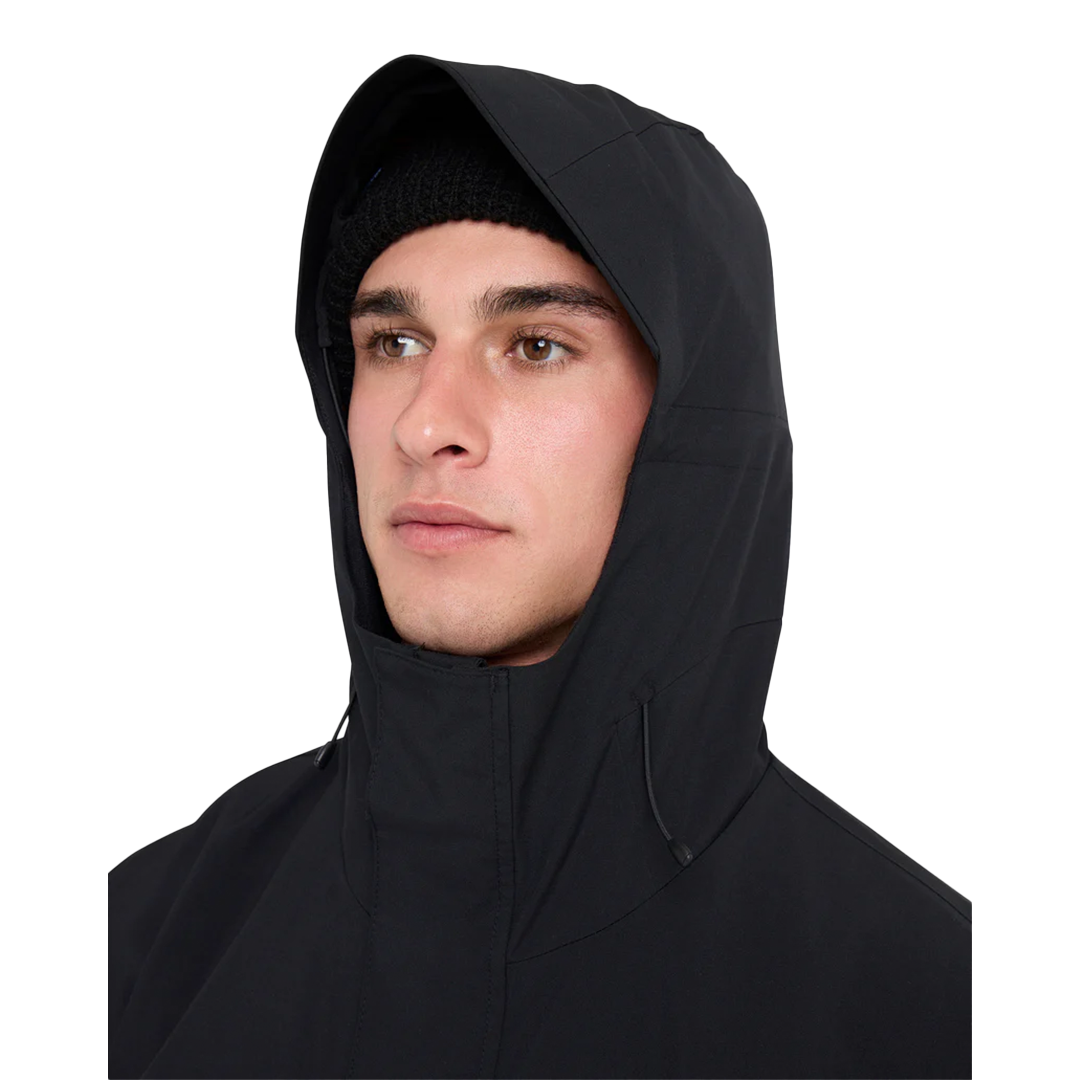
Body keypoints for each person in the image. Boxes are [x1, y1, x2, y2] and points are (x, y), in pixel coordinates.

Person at [109, 53, 972, 1079]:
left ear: (691, 421)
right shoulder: (140, 941)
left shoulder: (934, 1009)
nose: (426, 424)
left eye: (535, 347)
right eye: (394, 343)